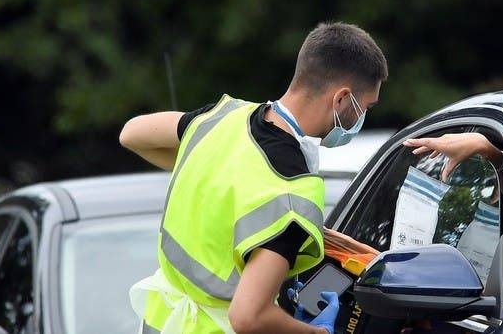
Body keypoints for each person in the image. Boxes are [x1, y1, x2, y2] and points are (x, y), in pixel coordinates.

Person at [119, 22, 388, 334]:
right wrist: (317, 333)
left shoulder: (222, 119)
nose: (361, 118)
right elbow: (248, 317)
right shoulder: (293, 195)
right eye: (365, 107)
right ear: (341, 99)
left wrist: (210, 175)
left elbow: (132, 133)